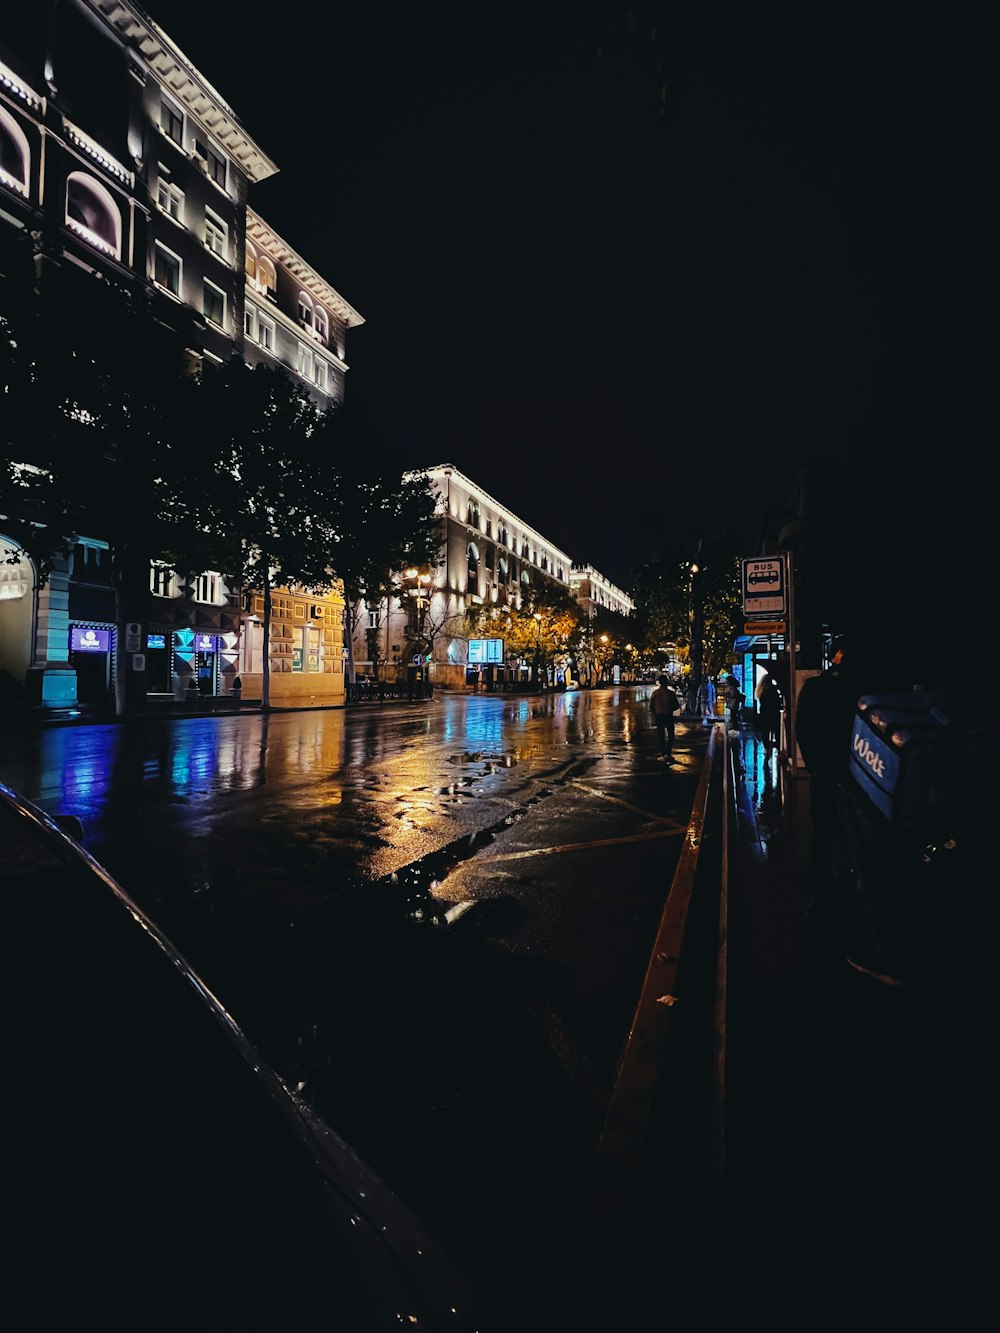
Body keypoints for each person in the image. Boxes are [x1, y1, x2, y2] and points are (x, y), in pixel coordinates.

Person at [649, 675, 680, 761]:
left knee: (661, 736)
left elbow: (651, 706)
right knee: (671, 735)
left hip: (659, 716)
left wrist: (656, 712)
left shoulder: (655, 693)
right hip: (668, 715)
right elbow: (676, 706)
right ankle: (668, 752)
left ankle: (663, 753)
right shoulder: (671, 694)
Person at [756, 674, 782, 749]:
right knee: (776, 728)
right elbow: (776, 700)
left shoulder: (761, 689)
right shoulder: (772, 689)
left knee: (765, 730)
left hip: (764, 711)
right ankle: (777, 745)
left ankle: (766, 746)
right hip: (773, 711)